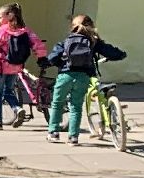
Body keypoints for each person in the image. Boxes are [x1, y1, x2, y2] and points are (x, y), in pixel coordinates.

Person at [45, 13, 126, 146]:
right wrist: (121, 55)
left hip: (65, 76)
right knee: (76, 107)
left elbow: (53, 58)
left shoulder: (66, 42)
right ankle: (73, 138)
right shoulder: (93, 43)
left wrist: (51, 63)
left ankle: (53, 133)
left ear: (72, 27)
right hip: (83, 77)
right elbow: (111, 52)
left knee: (57, 104)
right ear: (91, 26)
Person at [0, 2, 46, 129]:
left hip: (0, 66)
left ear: (9, 16)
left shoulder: (3, 31)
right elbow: (37, 44)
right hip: (16, 66)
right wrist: (41, 57)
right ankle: (17, 108)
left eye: (0, 17)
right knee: (8, 90)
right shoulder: (25, 31)